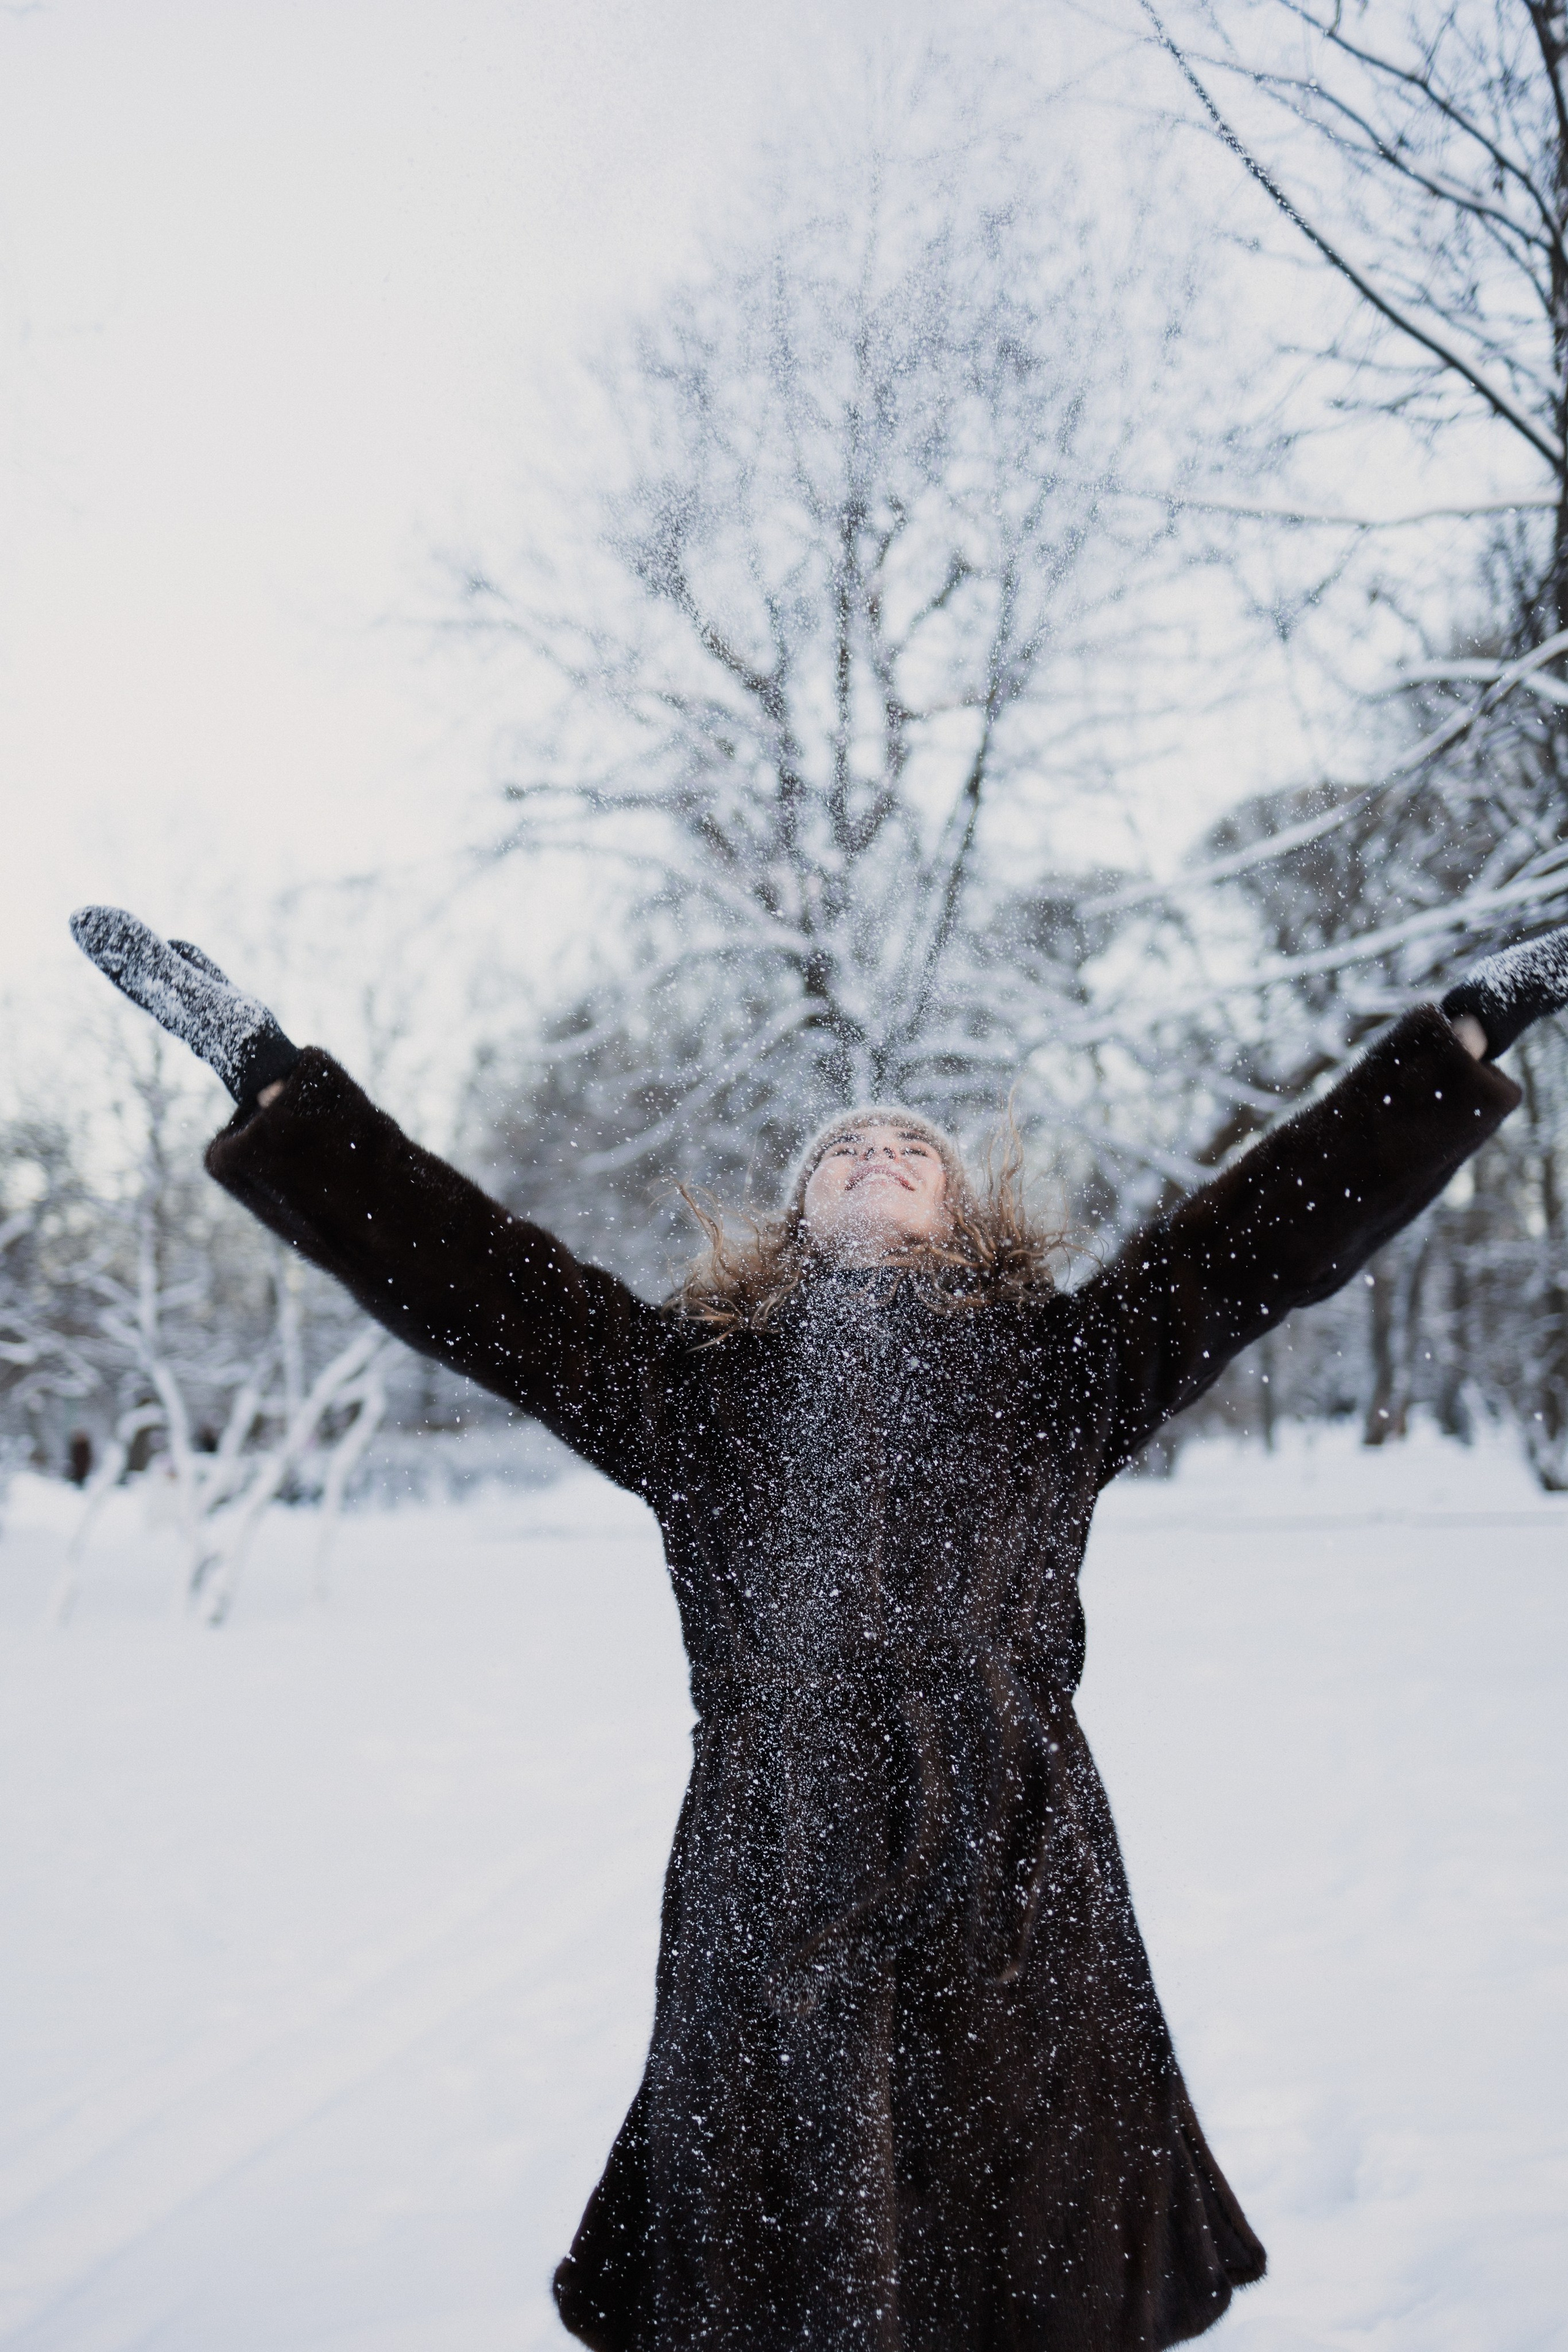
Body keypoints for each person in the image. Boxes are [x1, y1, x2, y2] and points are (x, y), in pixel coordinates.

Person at [69, 906, 1568, 2350]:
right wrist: (278, 1083)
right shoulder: (684, 1383)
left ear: (957, 1210)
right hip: (769, 1872)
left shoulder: (1062, 1364)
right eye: (842, 1150)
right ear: (798, 1212)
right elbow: (469, 1272)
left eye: (911, 1149)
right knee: (782, 2266)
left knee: (1027, 2264)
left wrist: (1455, 1039)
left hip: (1017, 1873)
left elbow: (1260, 1236)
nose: (874, 1154)